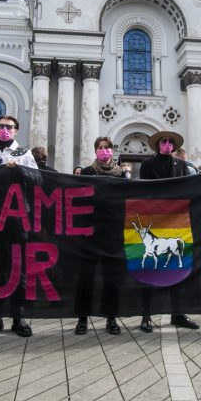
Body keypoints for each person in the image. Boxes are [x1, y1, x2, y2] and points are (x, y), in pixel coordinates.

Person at [0, 115, 36, 338]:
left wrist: (20, 171)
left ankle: (18, 316)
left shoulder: (25, 153)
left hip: (18, 215)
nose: (4, 130)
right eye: (0, 126)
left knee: (18, 266)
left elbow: (37, 180)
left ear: (16, 131)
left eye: (8, 127)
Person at [137, 130, 200, 332]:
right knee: (149, 269)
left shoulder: (181, 165)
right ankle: (146, 315)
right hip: (155, 222)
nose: (166, 144)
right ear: (157, 145)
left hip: (176, 223)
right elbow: (145, 191)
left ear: (174, 146)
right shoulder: (147, 165)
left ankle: (178, 313)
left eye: (170, 142)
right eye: (163, 141)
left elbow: (187, 190)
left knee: (176, 268)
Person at [75, 137, 123, 335]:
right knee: (86, 277)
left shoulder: (121, 175)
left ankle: (111, 317)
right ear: (95, 151)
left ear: (112, 151)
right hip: (89, 232)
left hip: (111, 232)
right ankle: (82, 317)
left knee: (111, 277)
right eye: (100, 148)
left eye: (107, 148)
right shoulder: (86, 173)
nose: (104, 151)